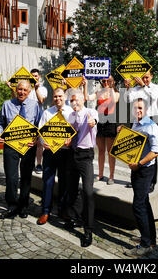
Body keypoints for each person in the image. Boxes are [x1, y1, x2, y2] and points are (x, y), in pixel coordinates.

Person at [0, 80, 43, 220]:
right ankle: (11, 206)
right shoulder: (7, 104)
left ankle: (23, 207)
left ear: (29, 92)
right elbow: (0, 124)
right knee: (11, 177)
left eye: (25, 90)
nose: (21, 92)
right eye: (19, 89)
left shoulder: (35, 105)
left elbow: (39, 125)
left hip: (28, 147)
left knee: (26, 178)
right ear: (16, 89)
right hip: (10, 145)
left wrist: (36, 139)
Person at [121, 98, 158, 257]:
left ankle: (145, 245)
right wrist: (123, 133)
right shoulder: (136, 123)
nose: (137, 111)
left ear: (146, 110)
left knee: (138, 206)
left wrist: (139, 163)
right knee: (144, 203)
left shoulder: (151, 126)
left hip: (145, 170)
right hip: (137, 169)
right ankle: (150, 239)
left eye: (140, 108)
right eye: (135, 108)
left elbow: (156, 151)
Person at [65, 88, 98, 248]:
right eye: (71, 101)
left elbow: (94, 122)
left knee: (88, 191)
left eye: (76, 100)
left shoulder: (90, 112)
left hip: (86, 155)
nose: (74, 103)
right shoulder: (71, 115)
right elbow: (70, 134)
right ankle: (75, 217)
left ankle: (88, 230)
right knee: (71, 188)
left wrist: (93, 122)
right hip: (72, 153)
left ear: (83, 100)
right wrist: (67, 140)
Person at [36, 87, 73, 225]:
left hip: (65, 152)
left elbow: (76, 130)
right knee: (48, 182)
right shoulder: (47, 112)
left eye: (60, 96)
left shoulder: (71, 112)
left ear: (65, 97)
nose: (58, 99)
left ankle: (63, 210)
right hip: (50, 152)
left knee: (64, 182)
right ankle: (45, 211)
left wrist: (71, 141)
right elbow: (40, 131)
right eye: (55, 96)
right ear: (53, 98)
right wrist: (42, 142)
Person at [123, 71, 158, 192]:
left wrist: (144, 86)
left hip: (150, 119)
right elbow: (127, 99)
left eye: (147, 77)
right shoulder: (136, 88)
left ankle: (151, 182)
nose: (144, 80)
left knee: (152, 151)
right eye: (143, 77)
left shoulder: (155, 87)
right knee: (135, 149)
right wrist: (128, 88)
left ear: (152, 76)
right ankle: (135, 177)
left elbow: (153, 97)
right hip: (137, 119)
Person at [6, 68, 48, 174]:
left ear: (39, 77)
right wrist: (12, 89)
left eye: (36, 75)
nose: (34, 77)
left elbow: (41, 101)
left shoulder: (42, 89)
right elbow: (15, 98)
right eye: (32, 75)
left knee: (38, 142)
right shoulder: (24, 87)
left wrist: (36, 89)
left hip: (37, 115)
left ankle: (38, 164)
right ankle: (27, 162)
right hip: (24, 115)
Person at [84, 76, 120, 185]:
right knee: (100, 151)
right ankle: (100, 174)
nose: (106, 83)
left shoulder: (115, 92)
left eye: (108, 81)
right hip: (100, 122)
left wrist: (110, 88)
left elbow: (114, 100)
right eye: (104, 81)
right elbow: (87, 97)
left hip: (110, 122)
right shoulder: (99, 92)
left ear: (112, 82)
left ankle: (111, 176)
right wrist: (85, 84)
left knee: (110, 152)